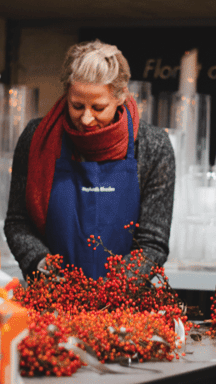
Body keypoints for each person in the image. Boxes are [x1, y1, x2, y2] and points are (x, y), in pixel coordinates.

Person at [5, 40, 175, 280]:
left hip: (122, 307)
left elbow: (152, 242)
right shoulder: (38, 138)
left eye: (98, 107)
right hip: (51, 300)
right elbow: (18, 222)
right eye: (76, 105)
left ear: (121, 97)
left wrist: (113, 289)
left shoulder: (152, 146)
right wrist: (42, 264)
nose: (86, 118)